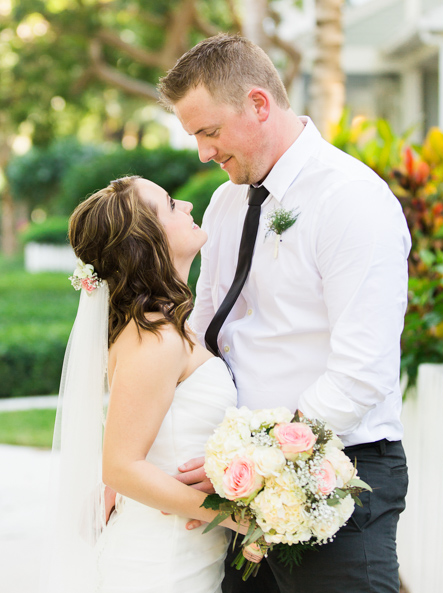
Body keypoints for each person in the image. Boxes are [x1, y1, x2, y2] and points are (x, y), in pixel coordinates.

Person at [156, 34, 412, 593]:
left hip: (338, 473)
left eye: (208, 131)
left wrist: (258, 459)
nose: (202, 151)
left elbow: (360, 373)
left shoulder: (351, 200)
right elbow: (206, 329)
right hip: (242, 481)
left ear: (259, 104)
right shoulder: (227, 201)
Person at [42, 176, 247, 593]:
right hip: (160, 567)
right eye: (171, 204)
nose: (188, 204)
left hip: (183, 557)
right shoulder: (153, 335)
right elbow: (120, 467)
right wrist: (230, 513)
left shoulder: (165, 327)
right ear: (146, 240)